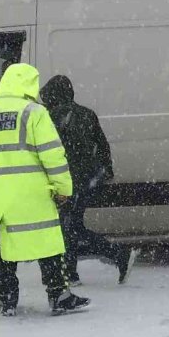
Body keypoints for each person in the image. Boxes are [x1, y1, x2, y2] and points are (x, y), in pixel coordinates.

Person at [0, 63, 90, 316]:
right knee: (48, 244)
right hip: (33, 196)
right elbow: (53, 155)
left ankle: (7, 299)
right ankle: (58, 295)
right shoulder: (34, 113)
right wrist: (63, 188)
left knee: (3, 248)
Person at [40, 75, 137, 285]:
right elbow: (102, 145)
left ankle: (112, 256)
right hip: (88, 180)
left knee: (67, 227)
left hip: (66, 181)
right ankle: (80, 269)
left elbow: (48, 152)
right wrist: (105, 172)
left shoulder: (50, 118)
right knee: (70, 226)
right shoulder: (86, 114)